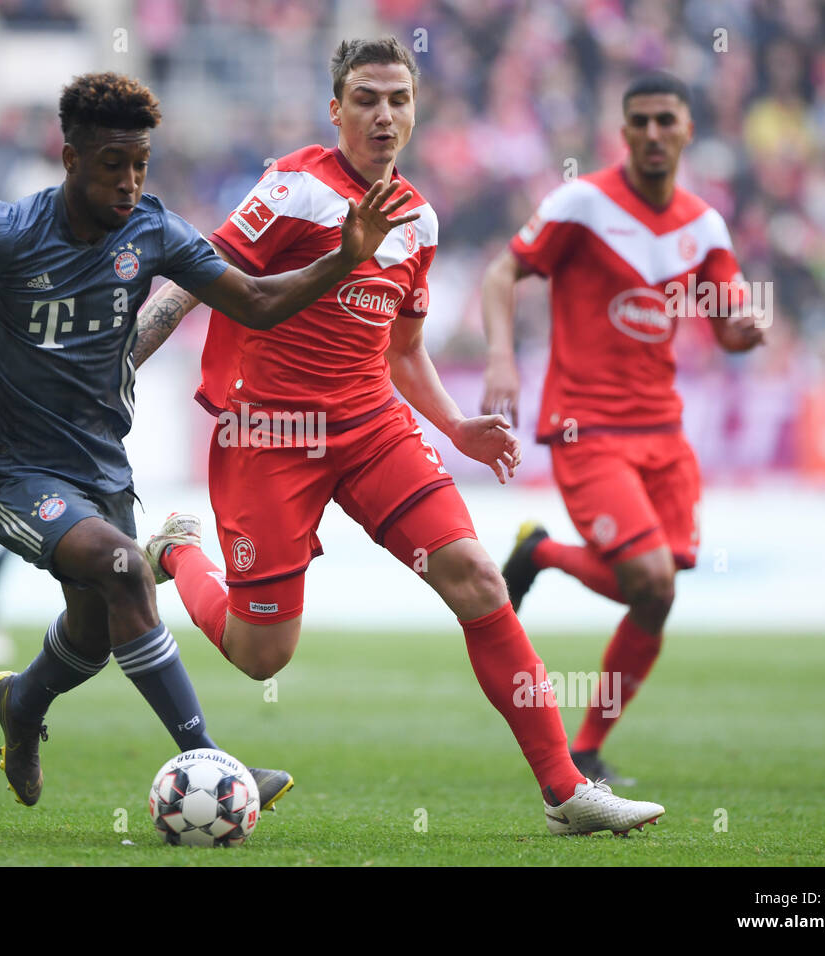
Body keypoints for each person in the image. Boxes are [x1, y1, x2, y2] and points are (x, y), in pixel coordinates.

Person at [0, 71, 418, 811]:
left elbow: (254, 301)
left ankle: (22, 702)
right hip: (9, 472)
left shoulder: (153, 231)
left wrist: (344, 258)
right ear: (71, 159)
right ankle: (211, 760)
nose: (130, 182)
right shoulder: (9, 230)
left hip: (101, 472)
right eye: (114, 165)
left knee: (91, 634)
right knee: (125, 570)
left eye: (141, 165)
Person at [133, 39, 665, 836]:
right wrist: (122, 362)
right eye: (367, 99)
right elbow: (196, 274)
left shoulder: (419, 218)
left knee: (480, 580)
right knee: (261, 654)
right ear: (337, 109)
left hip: (371, 425)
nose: (385, 115)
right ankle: (179, 549)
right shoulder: (295, 187)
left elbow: (404, 349)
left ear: (414, 109)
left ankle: (566, 791)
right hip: (272, 432)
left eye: (399, 100)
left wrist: (453, 424)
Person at [479, 71, 765, 785]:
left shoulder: (705, 225)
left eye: (667, 119)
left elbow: (728, 328)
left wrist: (748, 330)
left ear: (689, 129)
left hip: (664, 433)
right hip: (587, 425)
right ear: (623, 131)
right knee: (649, 577)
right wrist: (501, 361)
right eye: (639, 121)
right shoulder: (583, 203)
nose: (653, 133)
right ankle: (540, 554)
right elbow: (500, 274)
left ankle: (586, 749)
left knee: (657, 596)